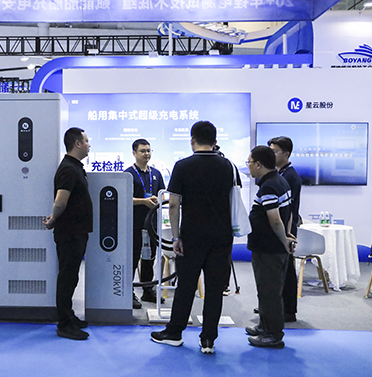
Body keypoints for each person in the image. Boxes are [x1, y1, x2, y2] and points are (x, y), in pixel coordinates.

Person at [151, 121, 237, 354]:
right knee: (215, 289)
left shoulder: (183, 166)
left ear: (192, 140)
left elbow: (174, 205)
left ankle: (175, 333)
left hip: (192, 235)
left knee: (186, 286)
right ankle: (208, 339)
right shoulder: (228, 166)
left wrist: (175, 237)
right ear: (215, 140)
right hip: (222, 235)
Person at [43, 127, 93, 341]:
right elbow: (60, 201)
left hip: (77, 231)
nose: (89, 144)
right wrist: (53, 219)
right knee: (66, 277)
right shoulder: (68, 169)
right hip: (69, 233)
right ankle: (64, 323)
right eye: (86, 141)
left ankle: (69, 315)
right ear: (77, 144)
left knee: (72, 276)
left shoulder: (75, 167)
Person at [245, 146, 296, 349]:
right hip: (272, 247)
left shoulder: (269, 186)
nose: (248, 166)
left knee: (270, 292)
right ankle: (264, 326)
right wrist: (288, 235)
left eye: (249, 162)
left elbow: (275, 219)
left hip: (269, 248)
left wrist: (284, 239)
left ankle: (273, 334)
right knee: (266, 289)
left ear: (258, 164)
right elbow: (289, 213)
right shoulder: (280, 181)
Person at [124, 139, 166, 309]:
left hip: (152, 224)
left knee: (149, 258)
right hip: (134, 223)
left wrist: (158, 200)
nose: (146, 154)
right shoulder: (128, 174)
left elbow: (163, 194)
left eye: (148, 150)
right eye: (142, 151)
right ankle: (128, 292)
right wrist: (143, 201)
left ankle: (148, 290)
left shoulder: (156, 173)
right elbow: (124, 197)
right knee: (133, 258)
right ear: (134, 153)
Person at [269, 136, 302, 323]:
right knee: (277, 270)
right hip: (280, 228)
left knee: (286, 270)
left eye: (275, 151)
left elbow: (288, 209)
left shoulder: (290, 176)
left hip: (286, 228)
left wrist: (286, 233)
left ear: (287, 154)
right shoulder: (280, 173)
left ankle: (288, 310)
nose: (271, 155)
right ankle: (274, 305)